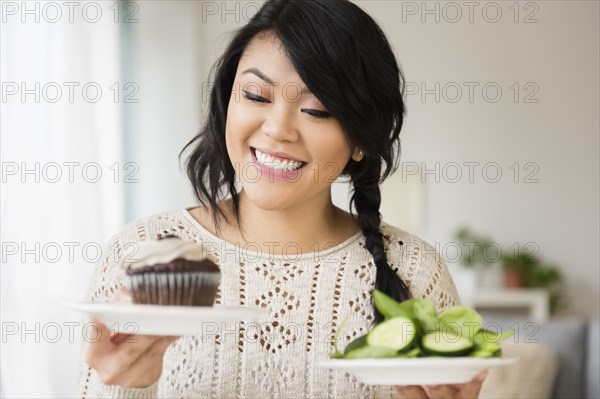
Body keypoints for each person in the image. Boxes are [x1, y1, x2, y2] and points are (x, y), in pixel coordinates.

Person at [76, 0, 485, 397]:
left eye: (318, 109)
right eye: (256, 96)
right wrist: (126, 387)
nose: (277, 129)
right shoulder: (139, 253)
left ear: (361, 138)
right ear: (226, 103)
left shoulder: (415, 270)